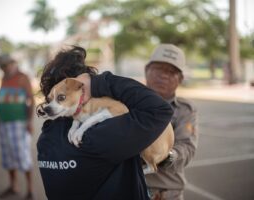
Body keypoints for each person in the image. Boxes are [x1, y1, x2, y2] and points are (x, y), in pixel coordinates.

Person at [36, 46, 174, 200]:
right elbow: (161, 110)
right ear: (82, 87)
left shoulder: (45, 139)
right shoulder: (100, 135)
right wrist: (97, 82)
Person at [144, 44, 198, 200]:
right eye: (159, 69)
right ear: (146, 71)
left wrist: (166, 155)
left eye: (171, 72)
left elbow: (187, 148)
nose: (164, 76)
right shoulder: (127, 103)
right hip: (130, 190)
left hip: (167, 194)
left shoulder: (185, 110)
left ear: (180, 79)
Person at [0, 54, 35, 200]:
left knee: (23, 156)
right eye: (3, 66)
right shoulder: (4, 79)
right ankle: (13, 187)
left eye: (7, 65)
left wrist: (29, 122)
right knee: (8, 157)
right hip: (4, 122)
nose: (5, 68)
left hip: (19, 123)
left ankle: (30, 190)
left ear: (13, 63)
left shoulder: (23, 78)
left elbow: (31, 100)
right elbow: (1, 100)